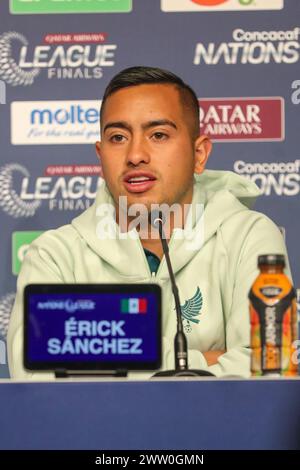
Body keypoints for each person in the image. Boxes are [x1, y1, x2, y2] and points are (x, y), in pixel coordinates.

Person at [7, 66, 291, 379]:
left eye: (158, 135)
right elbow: (32, 375)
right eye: (118, 137)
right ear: (100, 156)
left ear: (199, 153)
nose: (136, 155)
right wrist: (203, 362)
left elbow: (270, 365)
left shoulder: (249, 236)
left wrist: (100, 363)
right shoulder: (56, 256)